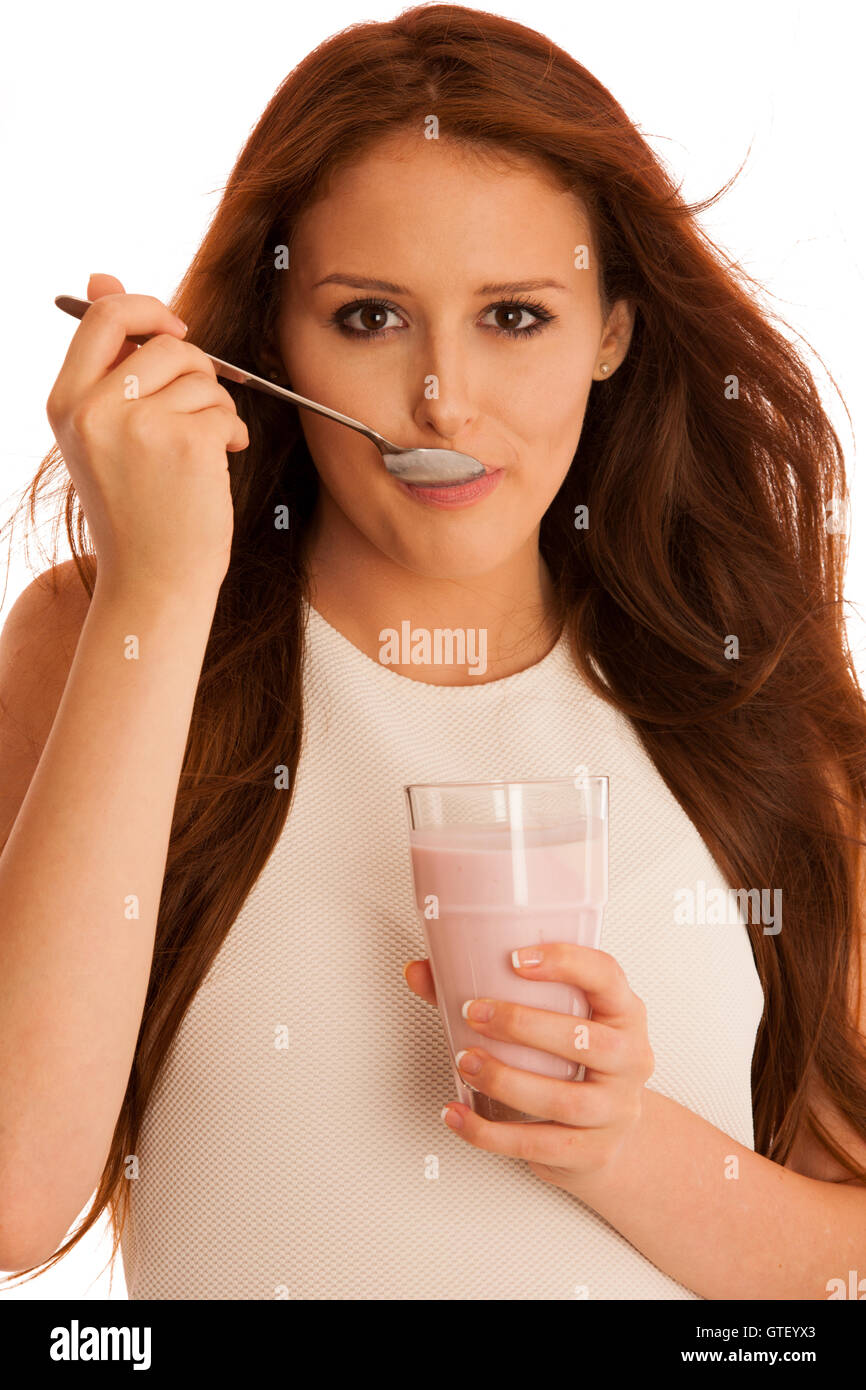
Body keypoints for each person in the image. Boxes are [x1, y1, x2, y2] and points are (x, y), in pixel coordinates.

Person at [1, 4, 864, 1300]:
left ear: (614, 329)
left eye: (513, 316)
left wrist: (621, 1145)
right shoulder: (109, 630)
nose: (442, 399)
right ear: (267, 337)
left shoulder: (745, 693)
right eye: (367, 318)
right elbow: (16, 1196)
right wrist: (162, 583)